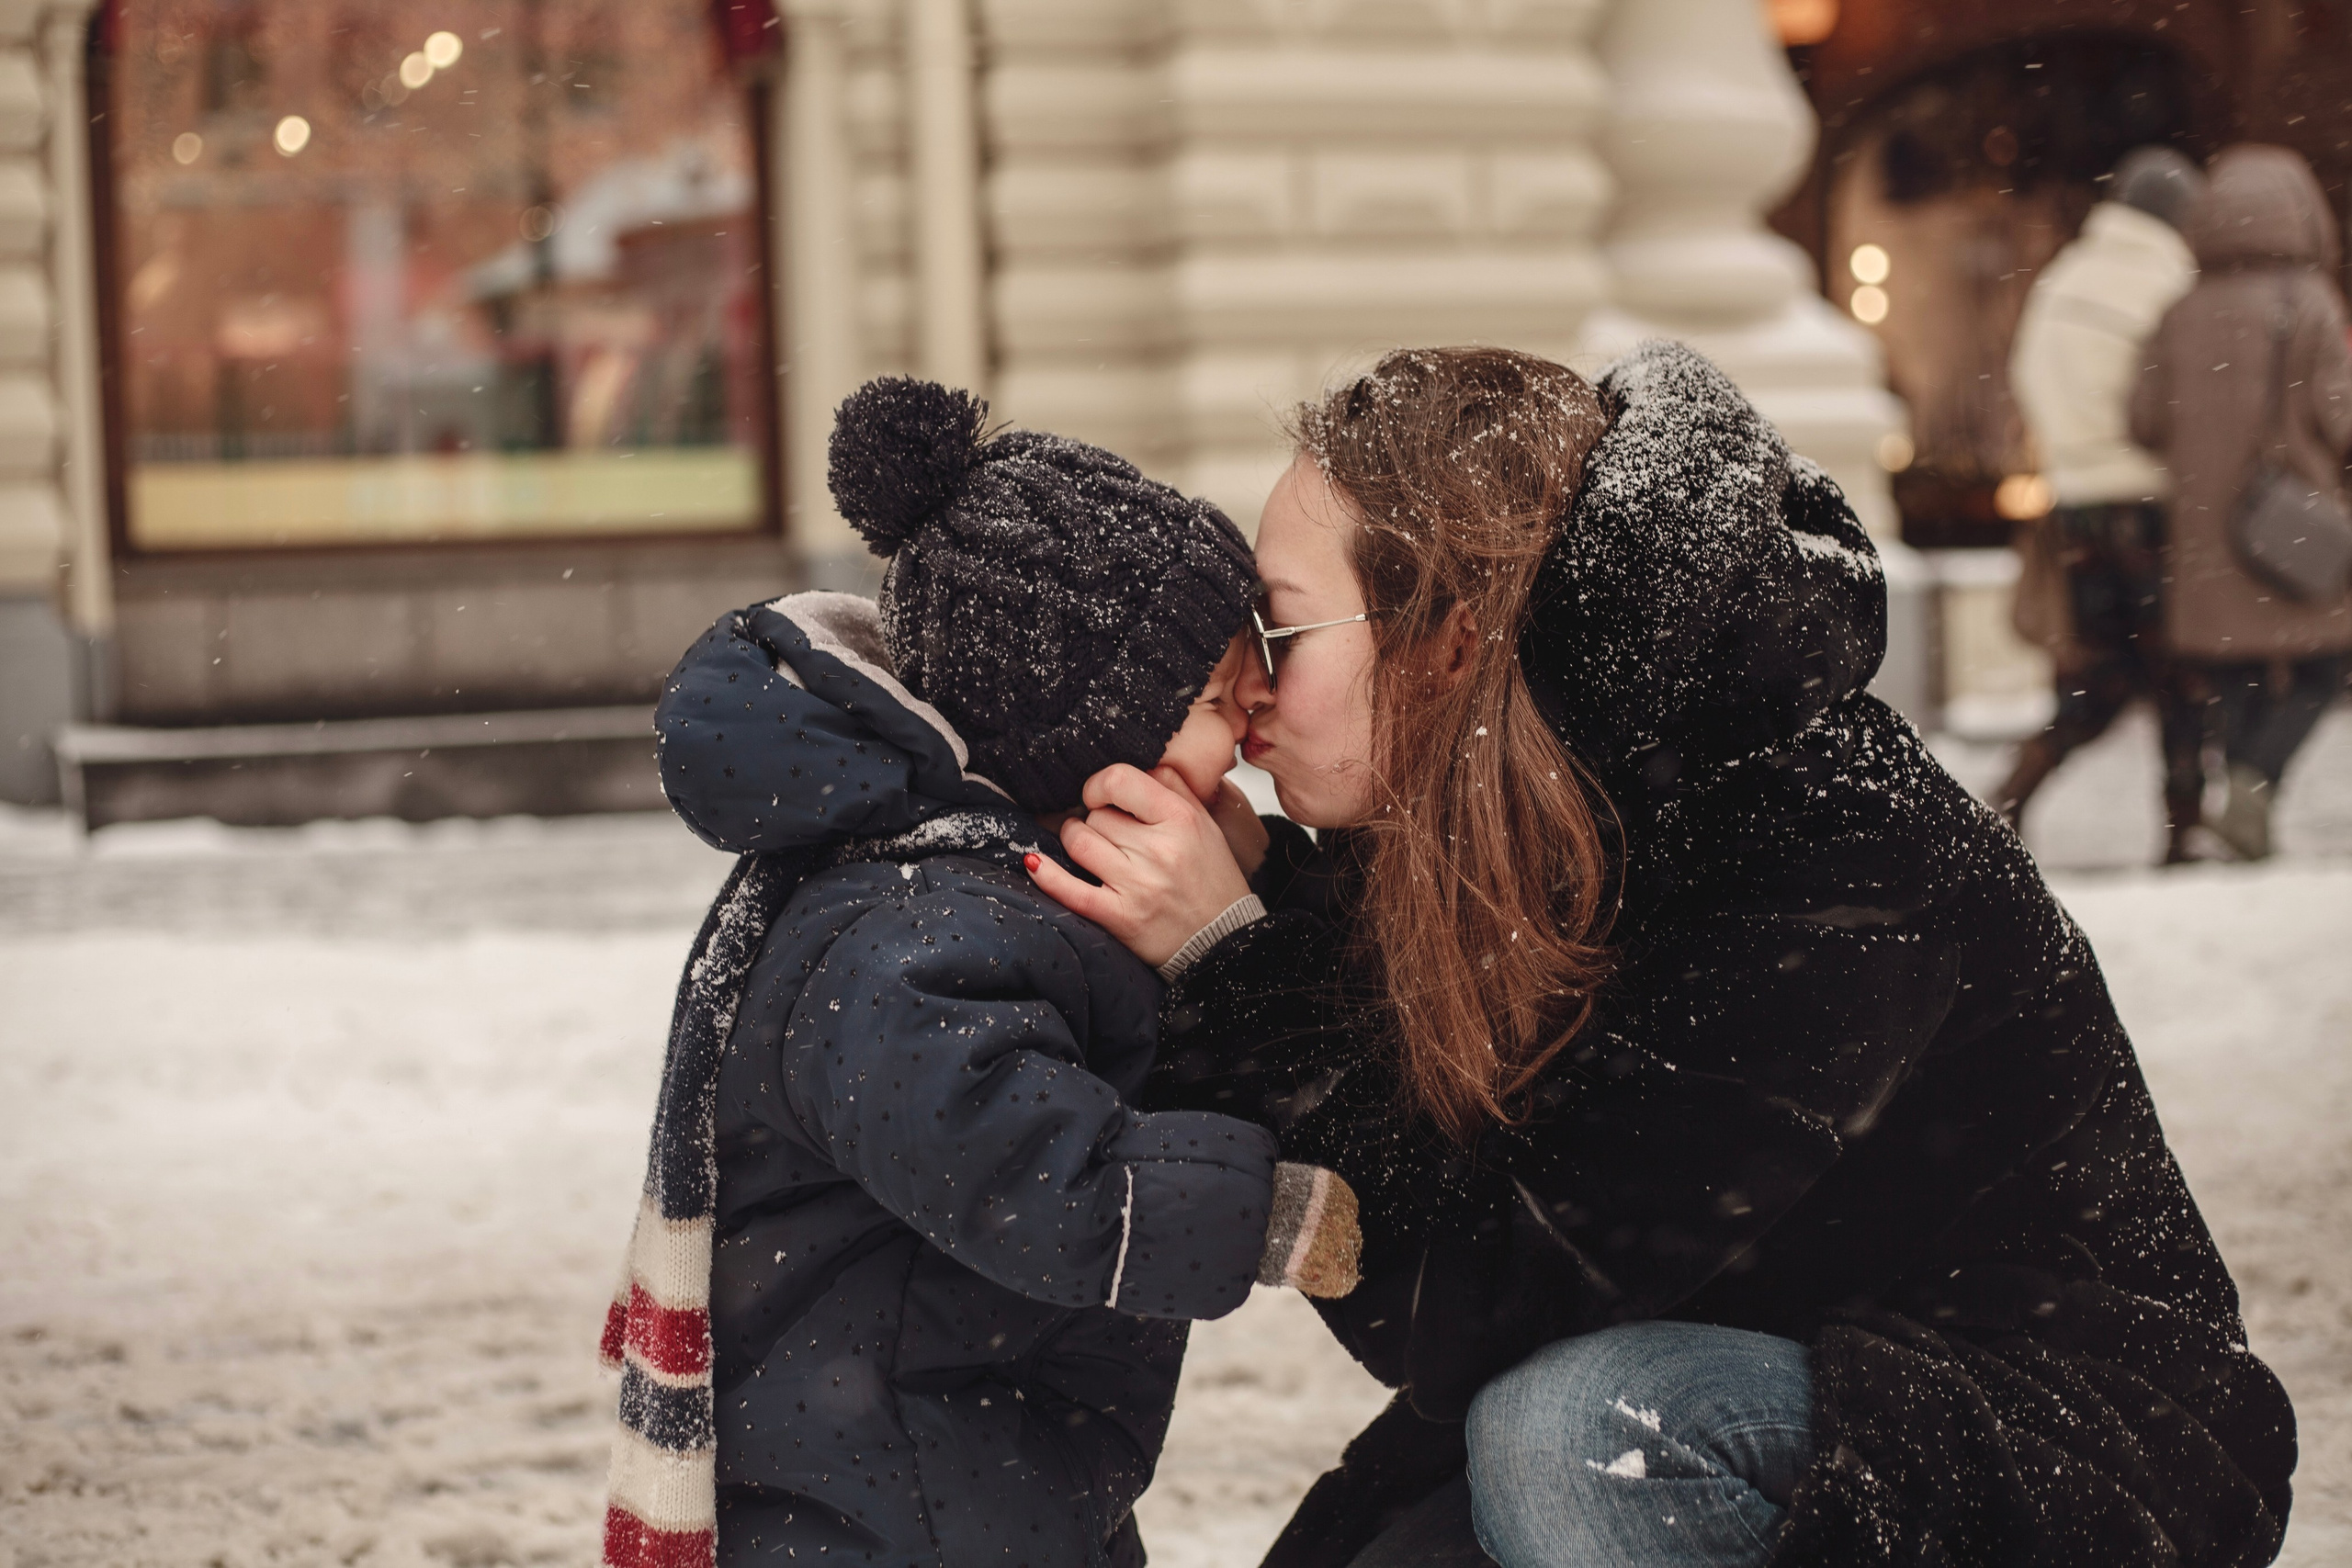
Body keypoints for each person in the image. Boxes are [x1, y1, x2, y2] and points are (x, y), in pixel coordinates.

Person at [1029, 344, 2294, 1568]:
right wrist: (1253, 912)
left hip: (2056, 1449)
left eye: (1284, 629)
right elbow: (1419, 1141)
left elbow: (1484, 1286)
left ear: (1455, 637)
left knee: (1579, 1440)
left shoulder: (1816, 835)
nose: (1244, 686)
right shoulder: (1537, 792)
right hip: (1758, 1355)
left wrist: (1230, 961)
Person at [599, 378, 1363, 1568]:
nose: (1255, 712)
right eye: (1219, 697)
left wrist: (1266, 900)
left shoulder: (989, 890)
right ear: (1088, 730)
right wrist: (1251, 1211)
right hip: (882, 1485)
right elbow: (1025, 1166)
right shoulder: (908, 932)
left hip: (977, 1446)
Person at [2132, 143, 2352, 862]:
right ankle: (2255, 789)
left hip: (2205, 537)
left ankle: (2244, 798)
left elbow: (2143, 420)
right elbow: (2341, 417)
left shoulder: (2176, 310)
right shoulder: (2311, 301)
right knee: (2326, 662)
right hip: (2289, 522)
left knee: (2237, 674)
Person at [2002, 146, 2207, 860]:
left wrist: (2070, 459)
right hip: (2154, 509)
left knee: (2092, 678)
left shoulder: (2063, 277)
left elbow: (2026, 374)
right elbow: (2179, 400)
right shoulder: (2174, 282)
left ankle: (2014, 792)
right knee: (2183, 675)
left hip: (2076, 511)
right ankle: (2185, 830)